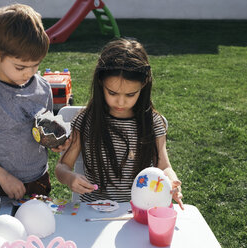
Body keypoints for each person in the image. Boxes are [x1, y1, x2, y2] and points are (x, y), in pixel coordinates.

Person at [55, 38, 184, 209]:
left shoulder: (152, 123)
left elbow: (164, 166)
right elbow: (62, 166)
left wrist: (171, 181)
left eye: (130, 95)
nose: (121, 102)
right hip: (94, 210)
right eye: (113, 92)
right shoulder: (87, 120)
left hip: (137, 210)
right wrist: (70, 178)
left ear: (144, 85)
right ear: (101, 82)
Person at [0, 3, 66, 200]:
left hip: (36, 181)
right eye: (20, 66)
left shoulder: (43, 87)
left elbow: (41, 130)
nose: (29, 73)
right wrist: (4, 177)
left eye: (36, 65)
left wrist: (53, 141)